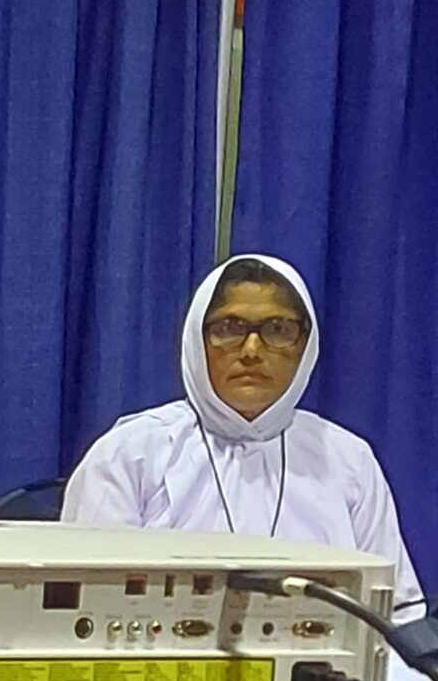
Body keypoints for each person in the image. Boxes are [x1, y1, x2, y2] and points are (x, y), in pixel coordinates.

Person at [65, 254, 423, 613]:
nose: (252, 350)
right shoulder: (131, 453)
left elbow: (398, 612)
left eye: (278, 330)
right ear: (197, 339)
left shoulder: (348, 459)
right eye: (229, 328)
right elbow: (82, 608)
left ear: (306, 346)